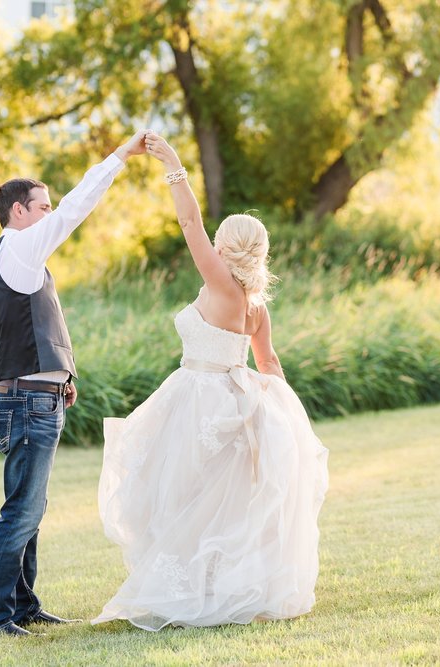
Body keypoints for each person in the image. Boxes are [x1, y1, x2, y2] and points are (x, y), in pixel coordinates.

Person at [92, 133, 329, 631]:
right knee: (220, 504)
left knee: (182, 497)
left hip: (199, 400)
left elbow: (188, 222)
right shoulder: (256, 306)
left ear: (224, 244)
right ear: (261, 251)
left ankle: (192, 591)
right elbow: (271, 366)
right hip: (234, 404)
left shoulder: (220, 281)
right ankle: (211, 586)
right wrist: (284, 417)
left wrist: (174, 165)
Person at [0, 130, 149, 636]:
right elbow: (79, 206)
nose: (51, 213)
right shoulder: (25, 248)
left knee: (29, 505)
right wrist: (119, 157)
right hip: (29, 399)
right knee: (22, 511)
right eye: (42, 206)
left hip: (20, 393)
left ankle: (23, 605)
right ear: (19, 213)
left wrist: (56, 375)